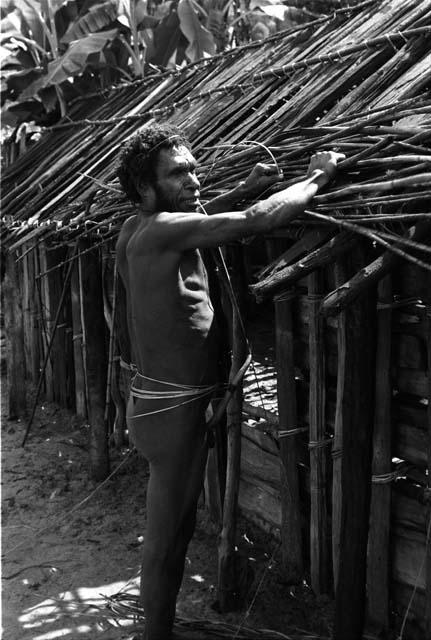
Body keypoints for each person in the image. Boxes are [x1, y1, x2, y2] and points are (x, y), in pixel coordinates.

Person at [116, 123, 344, 640]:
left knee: (175, 528)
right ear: (146, 190)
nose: (193, 178)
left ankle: (160, 628)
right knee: (165, 538)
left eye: (194, 168)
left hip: (159, 404)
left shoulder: (137, 231)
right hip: (173, 414)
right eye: (178, 174)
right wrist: (316, 178)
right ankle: (155, 635)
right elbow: (250, 222)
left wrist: (243, 185)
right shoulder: (163, 231)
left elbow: (200, 216)